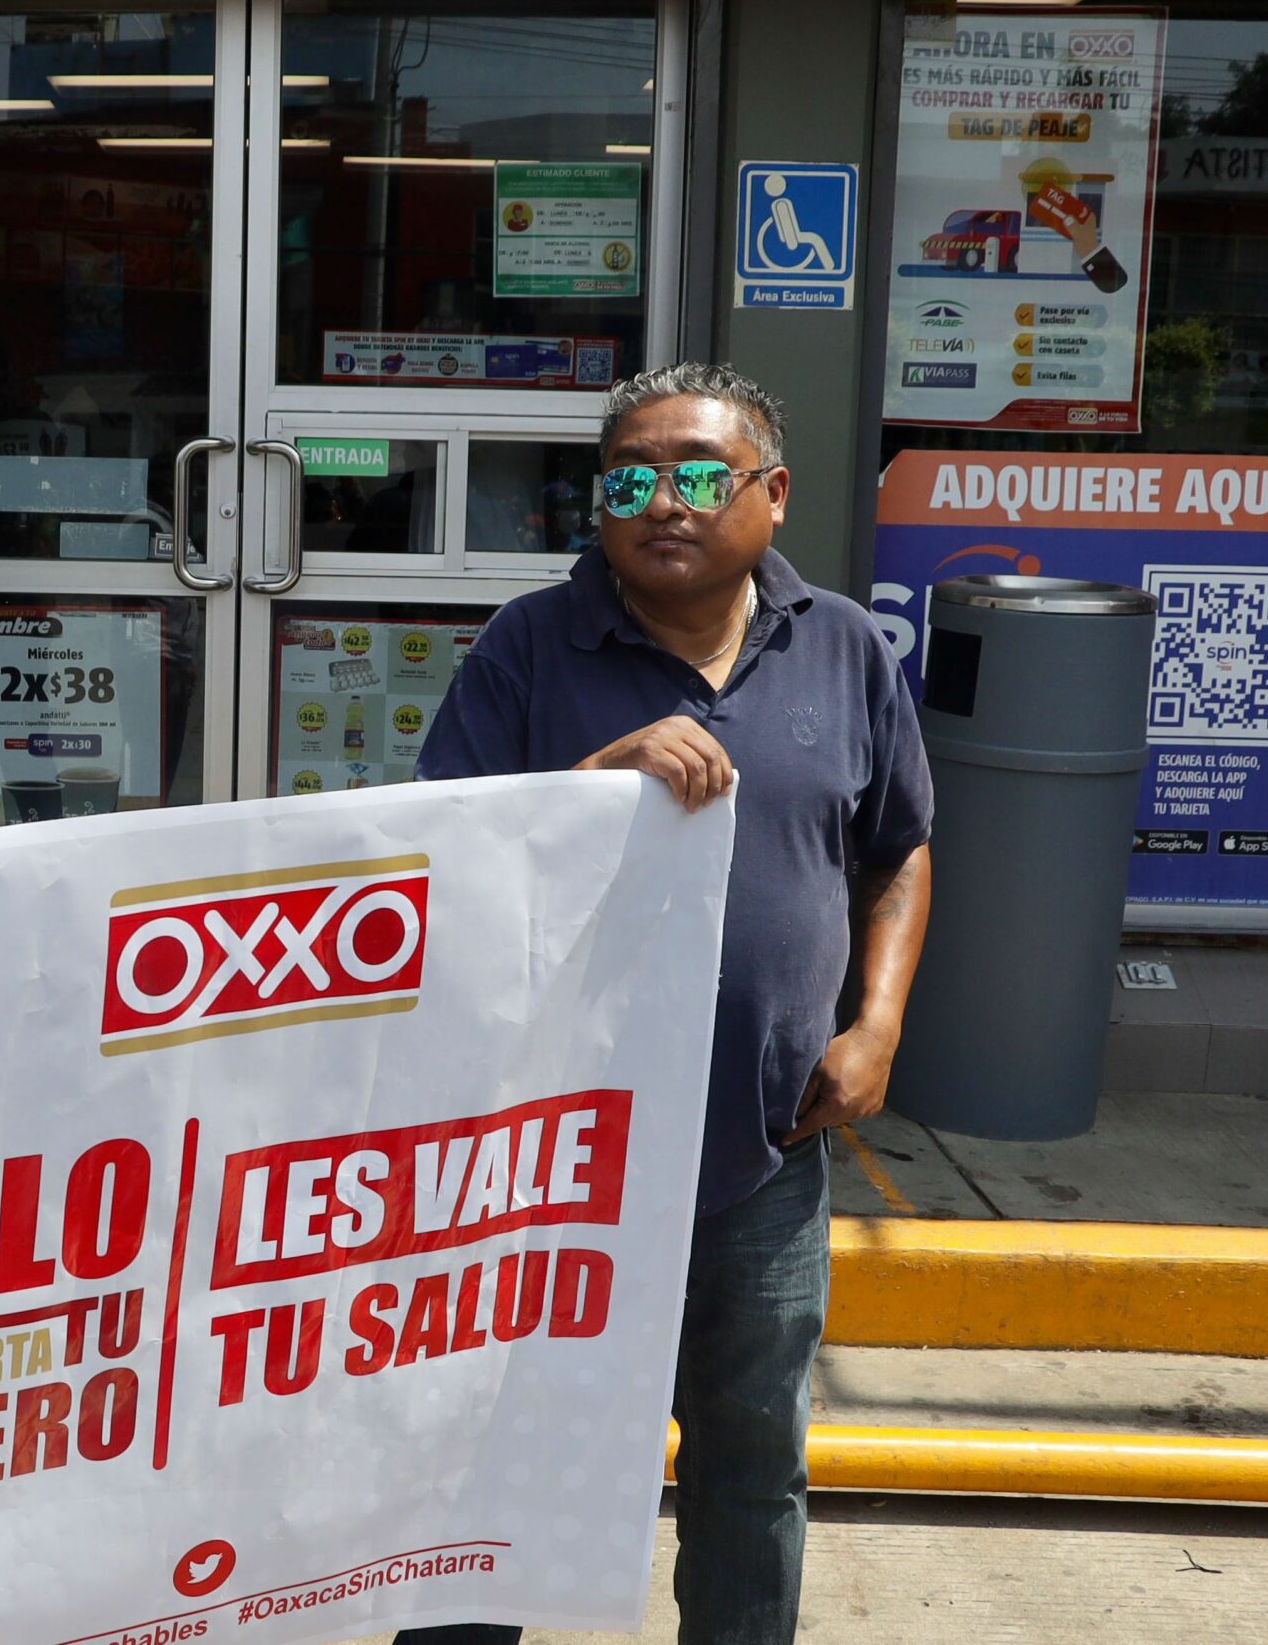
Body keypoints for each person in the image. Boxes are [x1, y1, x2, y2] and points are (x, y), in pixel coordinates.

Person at [406, 364, 935, 1645]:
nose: (663, 503)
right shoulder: (528, 645)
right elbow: (445, 854)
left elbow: (898, 848)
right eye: (629, 480)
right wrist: (605, 771)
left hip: (761, 1151)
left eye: (699, 475)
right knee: (494, 1462)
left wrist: (875, 1027)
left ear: (773, 492)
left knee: (751, 1465)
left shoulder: (845, 647)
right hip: (544, 1163)